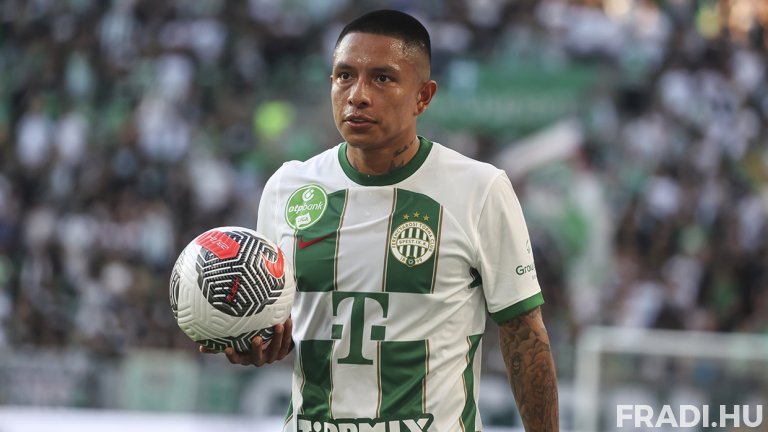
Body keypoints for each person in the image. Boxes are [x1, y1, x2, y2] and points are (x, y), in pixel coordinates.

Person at [202, 9, 559, 431]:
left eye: (382, 78)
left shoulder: (480, 190)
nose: (357, 95)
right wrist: (256, 341)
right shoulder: (287, 188)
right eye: (344, 76)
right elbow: (281, 323)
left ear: (423, 96)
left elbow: (523, 333)